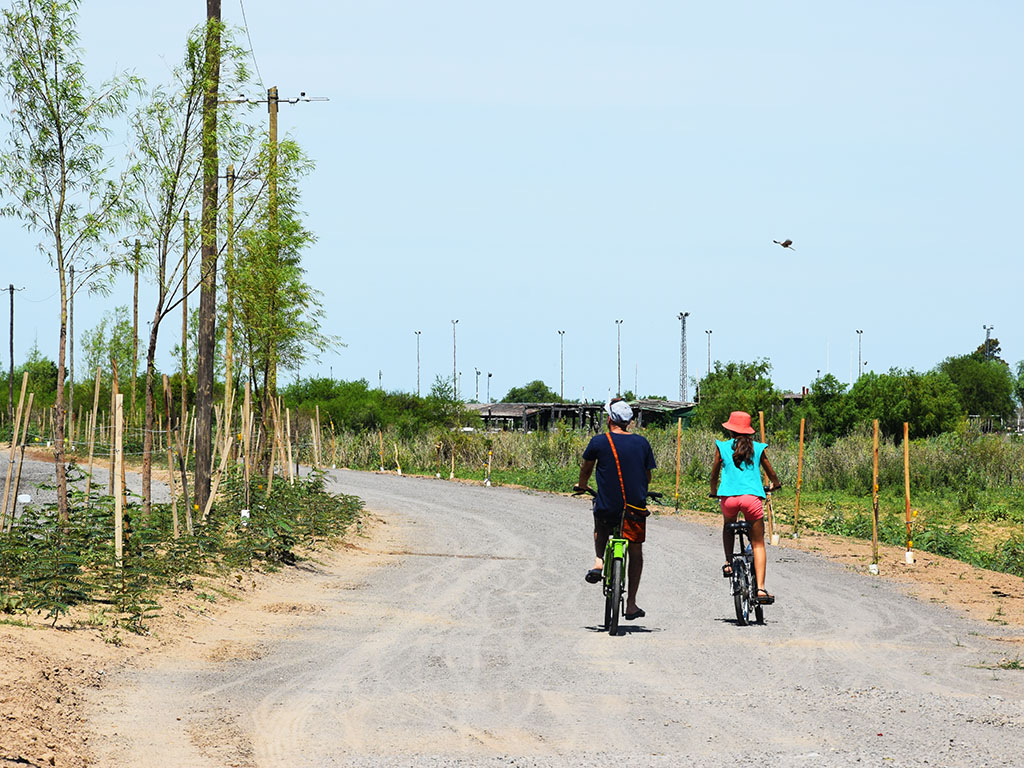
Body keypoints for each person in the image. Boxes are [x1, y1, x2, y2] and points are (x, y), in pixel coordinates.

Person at [575, 397, 657, 621]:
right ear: (629, 421)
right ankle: (631, 604)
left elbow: (586, 470)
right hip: (634, 507)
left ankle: (599, 561)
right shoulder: (642, 443)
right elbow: (647, 476)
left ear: (610, 419)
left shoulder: (599, 442)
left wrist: (582, 486)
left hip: (608, 505)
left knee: (600, 522)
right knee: (636, 551)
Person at [709, 411, 781, 604]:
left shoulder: (722, 447)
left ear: (730, 429)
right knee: (758, 543)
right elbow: (771, 472)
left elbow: (715, 473)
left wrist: (714, 490)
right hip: (752, 500)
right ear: (749, 431)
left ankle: (728, 563)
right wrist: (775, 483)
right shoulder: (757, 448)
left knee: (728, 526)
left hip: (729, 499)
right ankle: (760, 589)